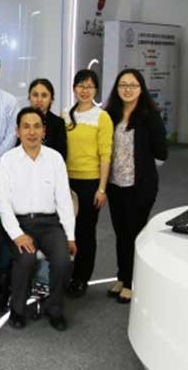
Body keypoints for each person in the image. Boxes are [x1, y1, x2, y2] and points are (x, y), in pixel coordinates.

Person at [0, 107, 76, 331]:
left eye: (36, 126)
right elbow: (3, 204)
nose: (31, 132)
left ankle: (54, 308)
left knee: (63, 261)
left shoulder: (55, 159)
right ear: (17, 131)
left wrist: (70, 236)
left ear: (44, 131)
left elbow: (64, 200)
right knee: (26, 258)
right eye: (26, 127)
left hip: (50, 224)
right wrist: (17, 235)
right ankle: (18, 309)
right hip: (20, 223)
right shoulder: (8, 160)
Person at [104, 68, 168, 304]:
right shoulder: (109, 114)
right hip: (115, 185)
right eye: (123, 85)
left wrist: (143, 167)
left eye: (133, 85)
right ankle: (122, 277)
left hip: (140, 187)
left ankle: (132, 282)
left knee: (133, 234)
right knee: (121, 233)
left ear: (141, 89)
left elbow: (161, 153)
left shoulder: (150, 116)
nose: (128, 89)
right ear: (117, 88)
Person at [64, 69, 112, 298]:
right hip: (66, 181)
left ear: (96, 90)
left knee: (85, 231)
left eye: (90, 86)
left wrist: (102, 188)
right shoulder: (66, 114)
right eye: (81, 85)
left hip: (90, 182)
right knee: (66, 229)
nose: (85, 90)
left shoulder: (101, 117)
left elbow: (106, 155)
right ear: (74, 88)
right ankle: (66, 273)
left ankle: (81, 278)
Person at [26, 78, 67, 160]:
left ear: (51, 99)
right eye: (35, 95)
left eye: (44, 95)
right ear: (29, 97)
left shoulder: (58, 123)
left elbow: (61, 155)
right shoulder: (23, 121)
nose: (39, 100)